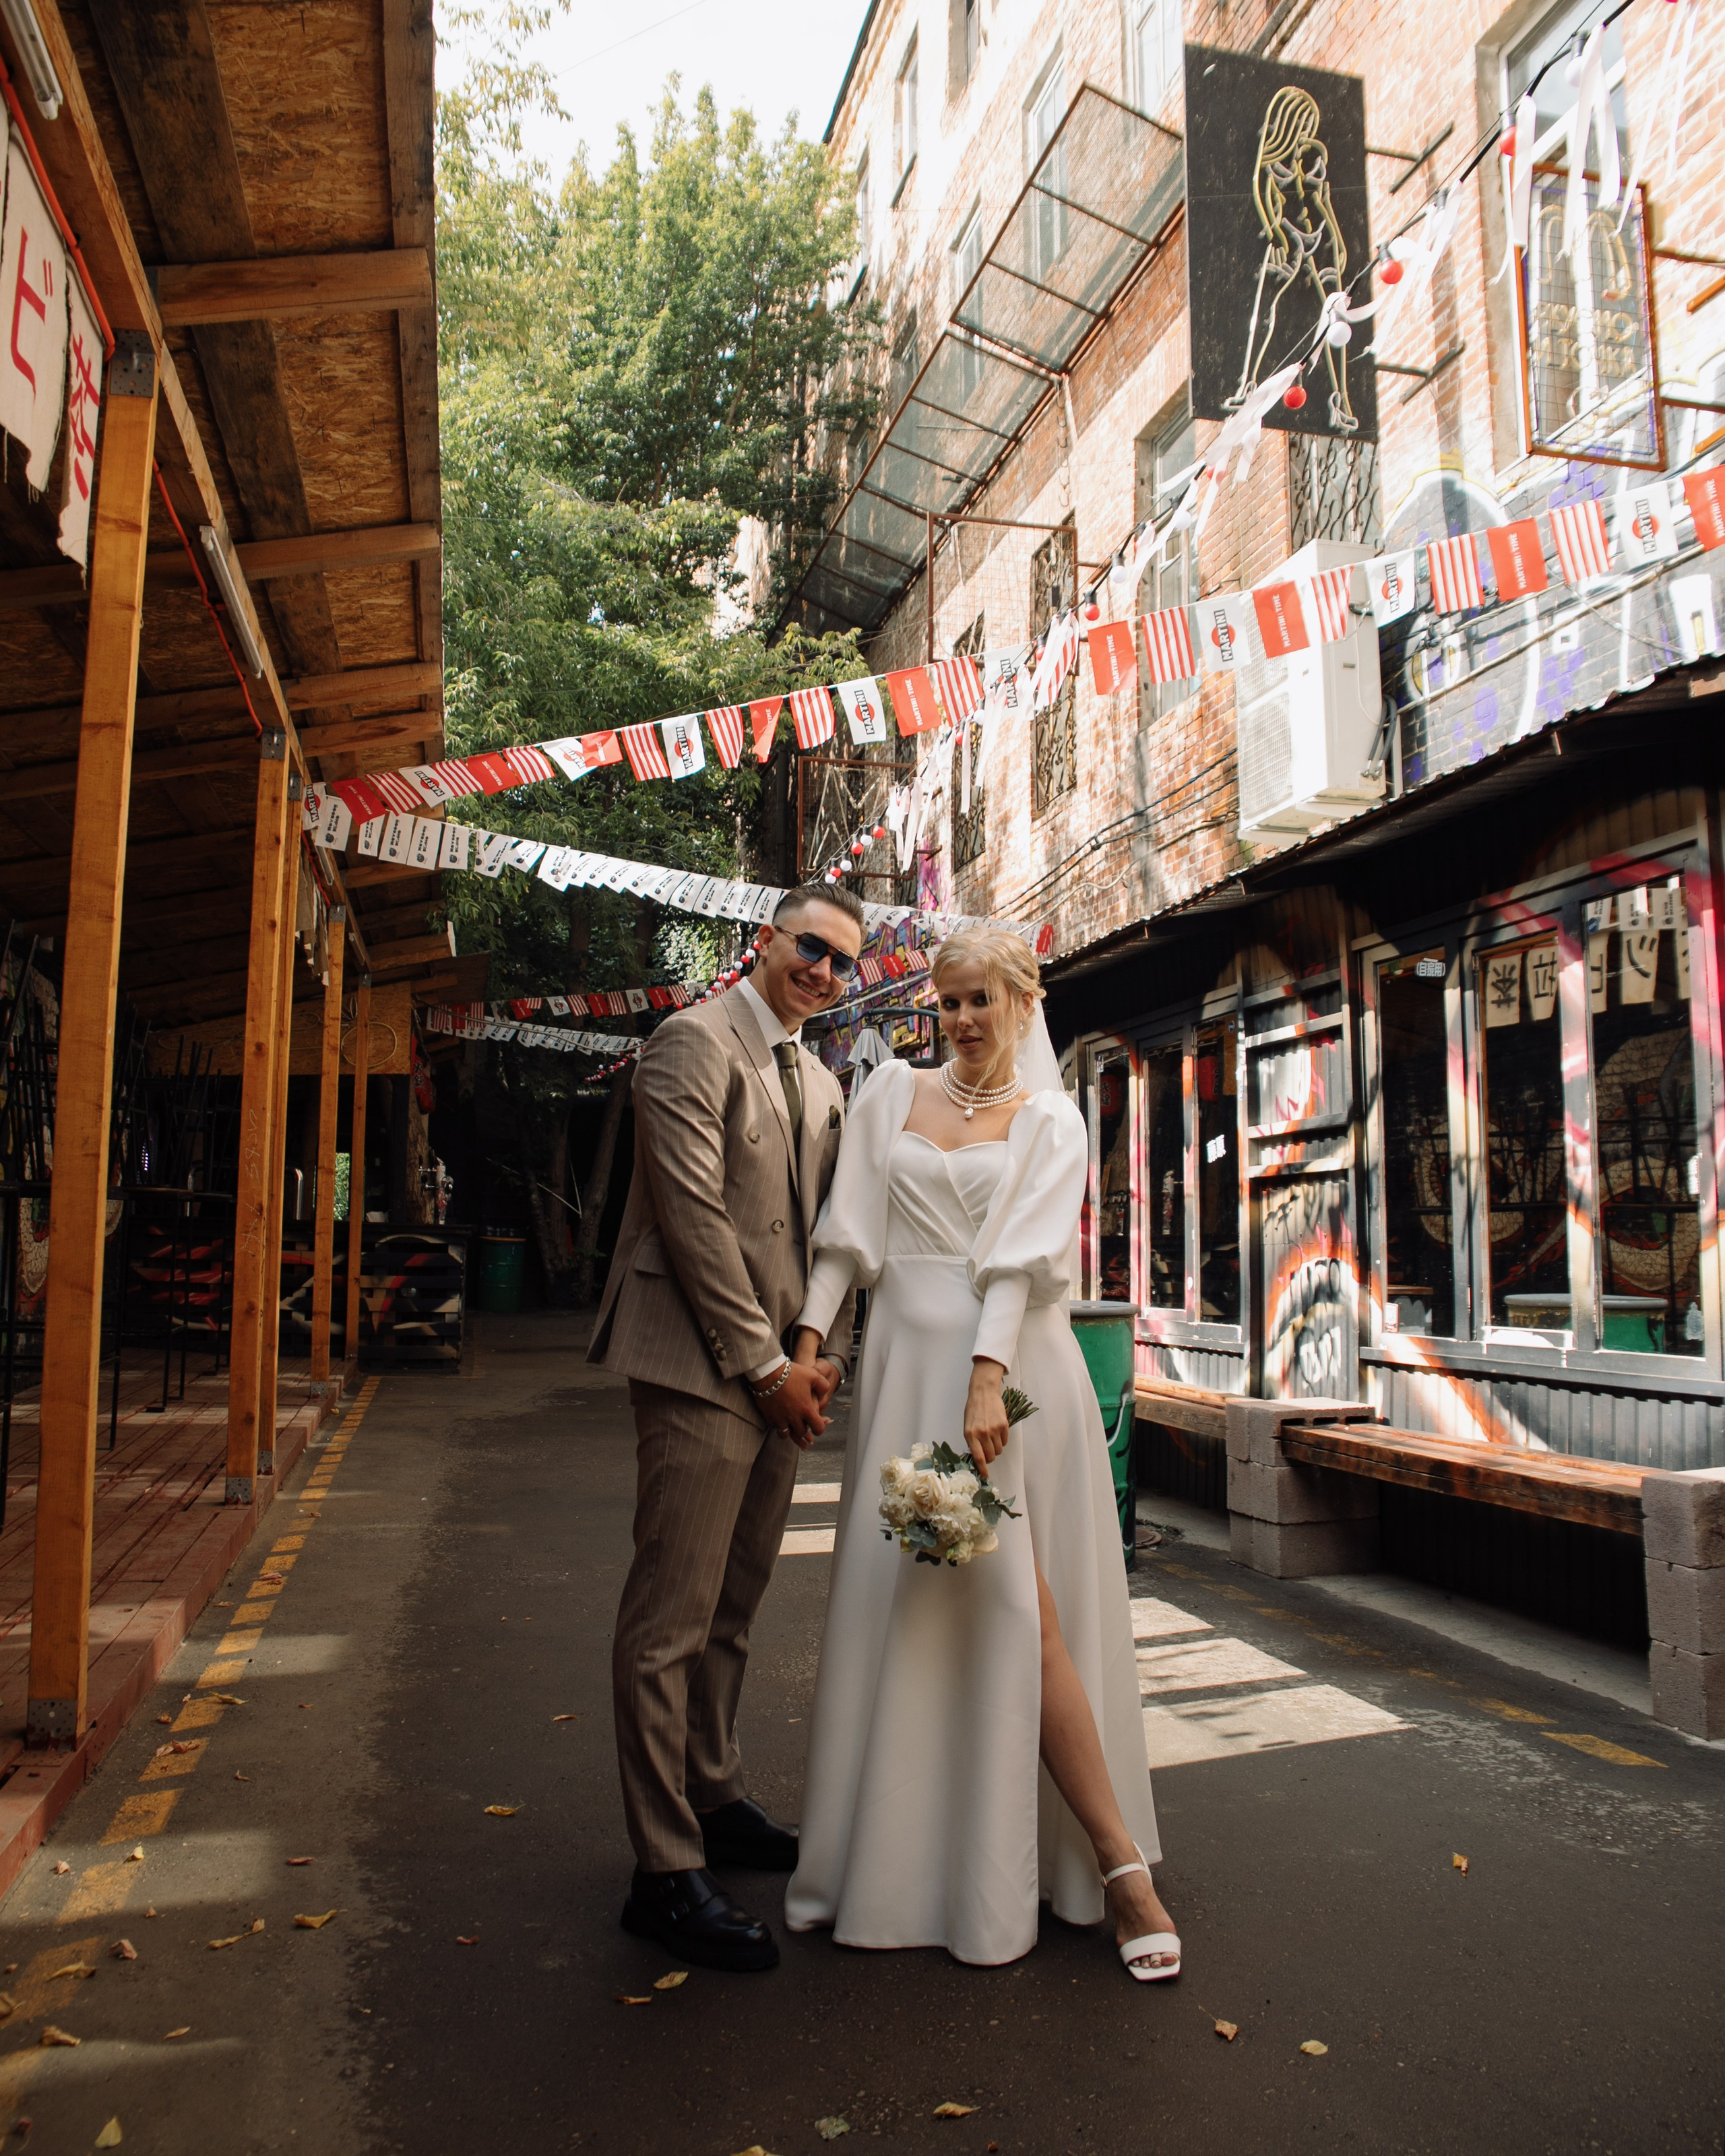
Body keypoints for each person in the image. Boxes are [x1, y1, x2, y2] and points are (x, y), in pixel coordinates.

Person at [782, 926, 1179, 1977]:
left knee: (1017, 1609)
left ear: (1021, 1003)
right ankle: (908, 1864)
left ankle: (1117, 1868)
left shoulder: (1052, 1118)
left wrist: (987, 1377)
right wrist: (807, 1351)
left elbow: (1018, 1264)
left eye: (979, 1001)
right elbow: (846, 1238)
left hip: (1007, 1387)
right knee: (915, 1612)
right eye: (947, 1002)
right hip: (906, 1372)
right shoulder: (887, 1095)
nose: (960, 1020)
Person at [590, 883, 865, 1972]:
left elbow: (827, 1233)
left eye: (842, 962)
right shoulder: (692, 1043)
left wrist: (819, 1356)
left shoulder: (822, 1077)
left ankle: (713, 1794)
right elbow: (693, 1218)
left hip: (781, 1377)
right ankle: (662, 1871)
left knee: (736, 1606)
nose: (824, 972)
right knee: (671, 1618)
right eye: (811, 946)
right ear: (764, 940)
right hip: (699, 1369)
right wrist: (764, 1366)